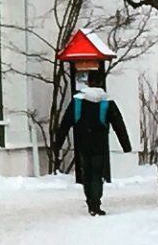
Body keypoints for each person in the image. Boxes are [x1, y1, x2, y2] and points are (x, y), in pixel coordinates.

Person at [54, 70, 132, 215]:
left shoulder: (77, 101)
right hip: (100, 144)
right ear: (101, 82)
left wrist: (57, 144)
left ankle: (90, 200)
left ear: (88, 82)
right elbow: (118, 124)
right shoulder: (107, 102)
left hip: (83, 143)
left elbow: (65, 123)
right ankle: (96, 203)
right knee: (97, 173)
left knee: (86, 172)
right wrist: (126, 145)